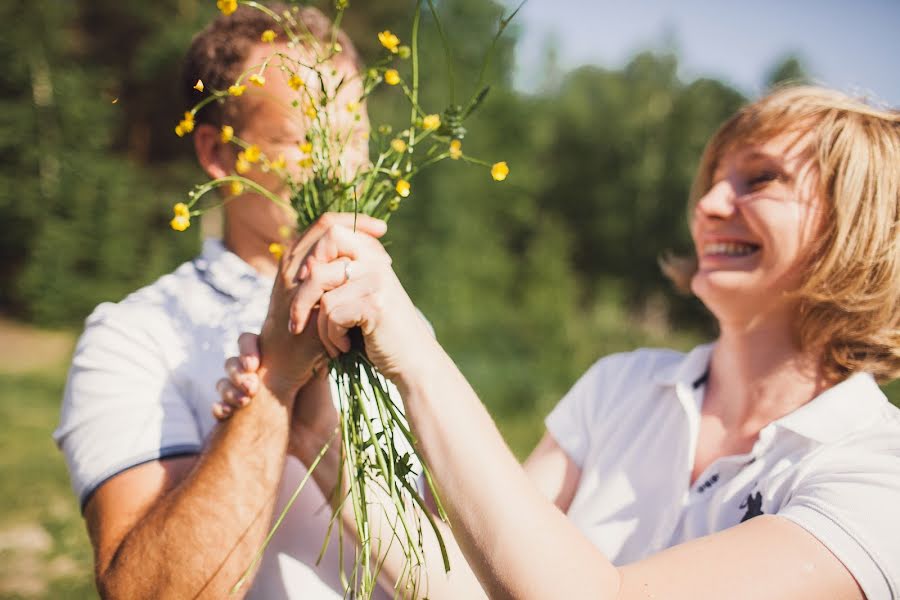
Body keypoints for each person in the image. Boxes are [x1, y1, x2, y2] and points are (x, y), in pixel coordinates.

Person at [218, 86, 900, 599]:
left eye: (760, 179)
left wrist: (414, 352)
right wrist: (319, 441)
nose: (710, 205)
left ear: (859, 222)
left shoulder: (878, 475)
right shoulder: (622, 385)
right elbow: (472, 581)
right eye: (714, 180)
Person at [53, 5, 392, 598]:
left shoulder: (390, 321)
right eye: (307, 138)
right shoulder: (135, 336)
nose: (344, 168)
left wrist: (327, 447)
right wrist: (274, 386)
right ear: (219, 156)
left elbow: (448, 559)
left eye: (355, 135)